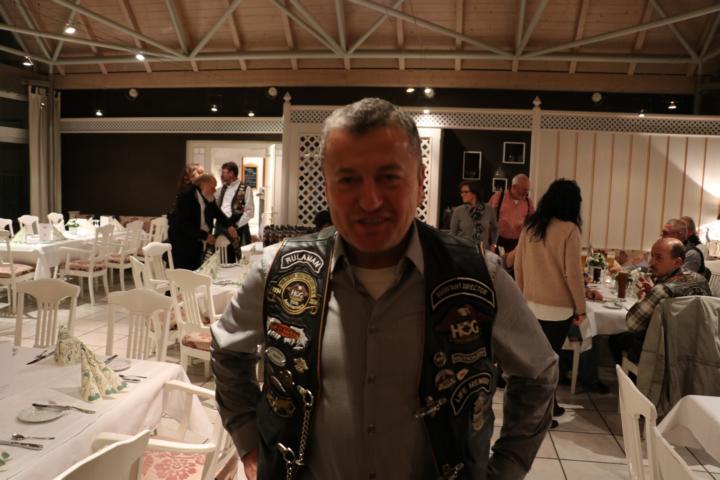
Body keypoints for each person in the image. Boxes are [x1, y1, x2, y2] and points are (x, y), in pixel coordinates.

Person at [211, 98, 557, 480]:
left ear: (420, 182)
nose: (370, 200)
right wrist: (250, 444)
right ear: (327, 186)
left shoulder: (479, 276)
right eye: (348, 180)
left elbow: (538, 374)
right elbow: (228, 351)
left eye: (389, 177)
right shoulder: (277, 270)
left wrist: (507, 468)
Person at [514, 179, 586, 424]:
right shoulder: (569, 230)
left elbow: (519, 265)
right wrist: (581, 307)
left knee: (538, 359)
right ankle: (542, 414)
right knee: (550, 361)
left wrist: (522, 297)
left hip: (531, 303)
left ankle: (547, 406)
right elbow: (572, 273)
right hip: (558, 307)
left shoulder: (531, 226)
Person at [608, 237, 711, 365]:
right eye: (652, 256)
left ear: (677, 262)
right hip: (698, 352)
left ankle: (633, 376)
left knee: (616, 339)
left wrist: (644, 298)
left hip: (661, 355)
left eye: (658, 258)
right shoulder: (702, 281)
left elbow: (632, 324)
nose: (651, 263)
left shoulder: (663, 290)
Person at [168, 174, 219, 270]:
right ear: (204, 185)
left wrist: (230, 226)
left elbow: (218, 213)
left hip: (197, 242)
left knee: (196, 271)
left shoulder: (207, 196)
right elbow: (183, 223)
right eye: (213, 187)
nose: (215, 190)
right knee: (184, 273)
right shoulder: (185, 197)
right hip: (182, 243)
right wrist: (205, 236)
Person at [488, 174, 534, 270]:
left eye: (527, 190)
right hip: (498, 240)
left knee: (514, 270)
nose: (526, 193)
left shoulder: (528, 202)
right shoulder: (499, 197)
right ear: (514, 187)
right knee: (495, 269)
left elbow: (533, 221)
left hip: (516, 243)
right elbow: (487, 217)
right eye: (524, 189)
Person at [216, 161, 255, 261]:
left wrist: (236, 225)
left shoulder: (245, 188)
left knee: (240, 259)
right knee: (220, 258)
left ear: (231, 173)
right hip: (221, 227)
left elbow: (250, 212)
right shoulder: (221, 189)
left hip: (238, 228)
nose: (221, 175)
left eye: (224, 172)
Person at [449, 180, 498, 252]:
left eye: (466, 192)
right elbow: (452, 234)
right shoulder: (458, 211)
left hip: (483, 251)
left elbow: (495, 229)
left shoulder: (489, 209)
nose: (462, 195)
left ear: (475, 193)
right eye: (461, 192)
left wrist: (494, 245)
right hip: (463, 251)